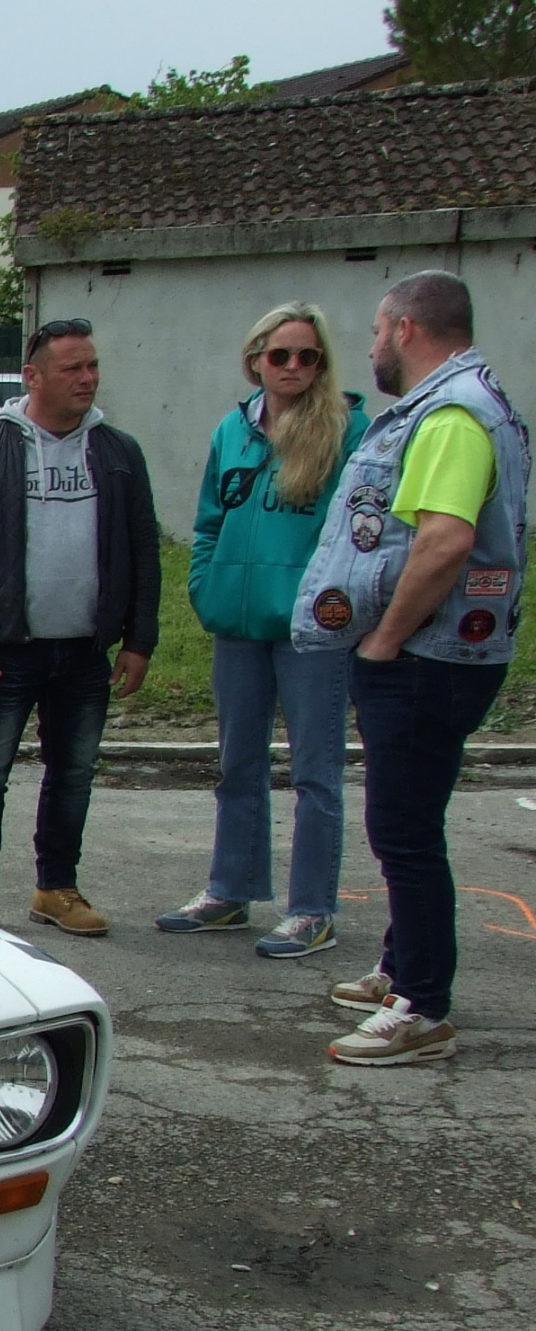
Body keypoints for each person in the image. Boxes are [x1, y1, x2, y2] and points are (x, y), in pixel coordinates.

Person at [293, 270, 528, 1066]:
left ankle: (421, 1007)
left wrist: (385, 639)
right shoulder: (465, 403)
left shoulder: (452, 417)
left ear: (405, 329)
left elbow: (445, 539)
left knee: (404, 830)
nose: (370, 348)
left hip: (429, 656)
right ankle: (401, 967)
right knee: (408, 820)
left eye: (375, 331)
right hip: (443, 652)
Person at [0, 317, 161, 934]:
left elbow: (143, 550)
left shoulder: (118, 454)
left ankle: (56, 889)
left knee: (74, 774)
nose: (87, 378)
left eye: (92, 366)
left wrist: (139, 638)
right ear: (33, 377)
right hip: (4, 652)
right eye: (72, 368)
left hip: (84, 651)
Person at [156, 305, 368, 956]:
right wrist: (206, 584)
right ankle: (231, 890)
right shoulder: (234, 429)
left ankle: (311, 910)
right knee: (238, 764)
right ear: (256, 361)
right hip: (240, 622)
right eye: (280, 355)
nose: (293, 367)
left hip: (311, 630)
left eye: (308, 356)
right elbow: (210, 518)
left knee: (315, 774)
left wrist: (331, 603)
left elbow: (360, 529)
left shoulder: (347, 430)